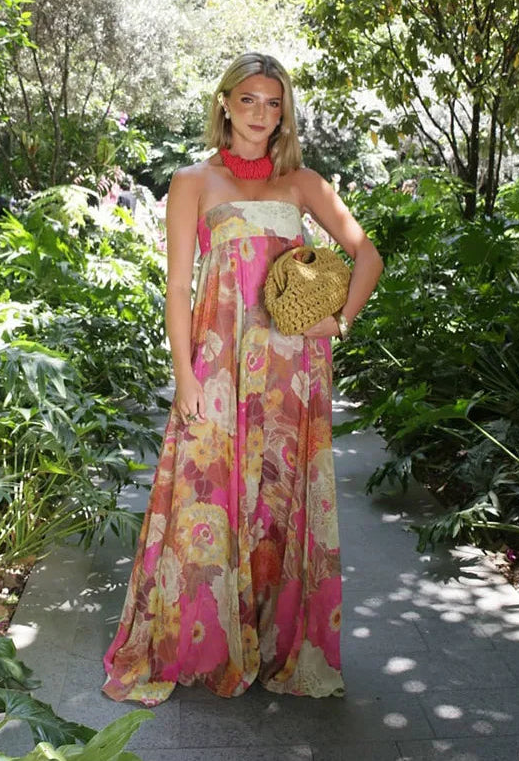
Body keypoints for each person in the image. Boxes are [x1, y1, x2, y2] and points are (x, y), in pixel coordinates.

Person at [102, 52, 384, 706]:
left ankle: (276, 640)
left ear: (284, 111)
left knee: (279, 503)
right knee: (208, 494)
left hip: (292, 371)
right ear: (225, 103)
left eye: (274, 102)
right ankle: (208, 641)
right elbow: (178, 289)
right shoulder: (192, 181)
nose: (262, 113)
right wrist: (184, 375)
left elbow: (366, 253)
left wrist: (338, 322)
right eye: (250, 99)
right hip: (220, 366)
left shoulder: (303, 183)